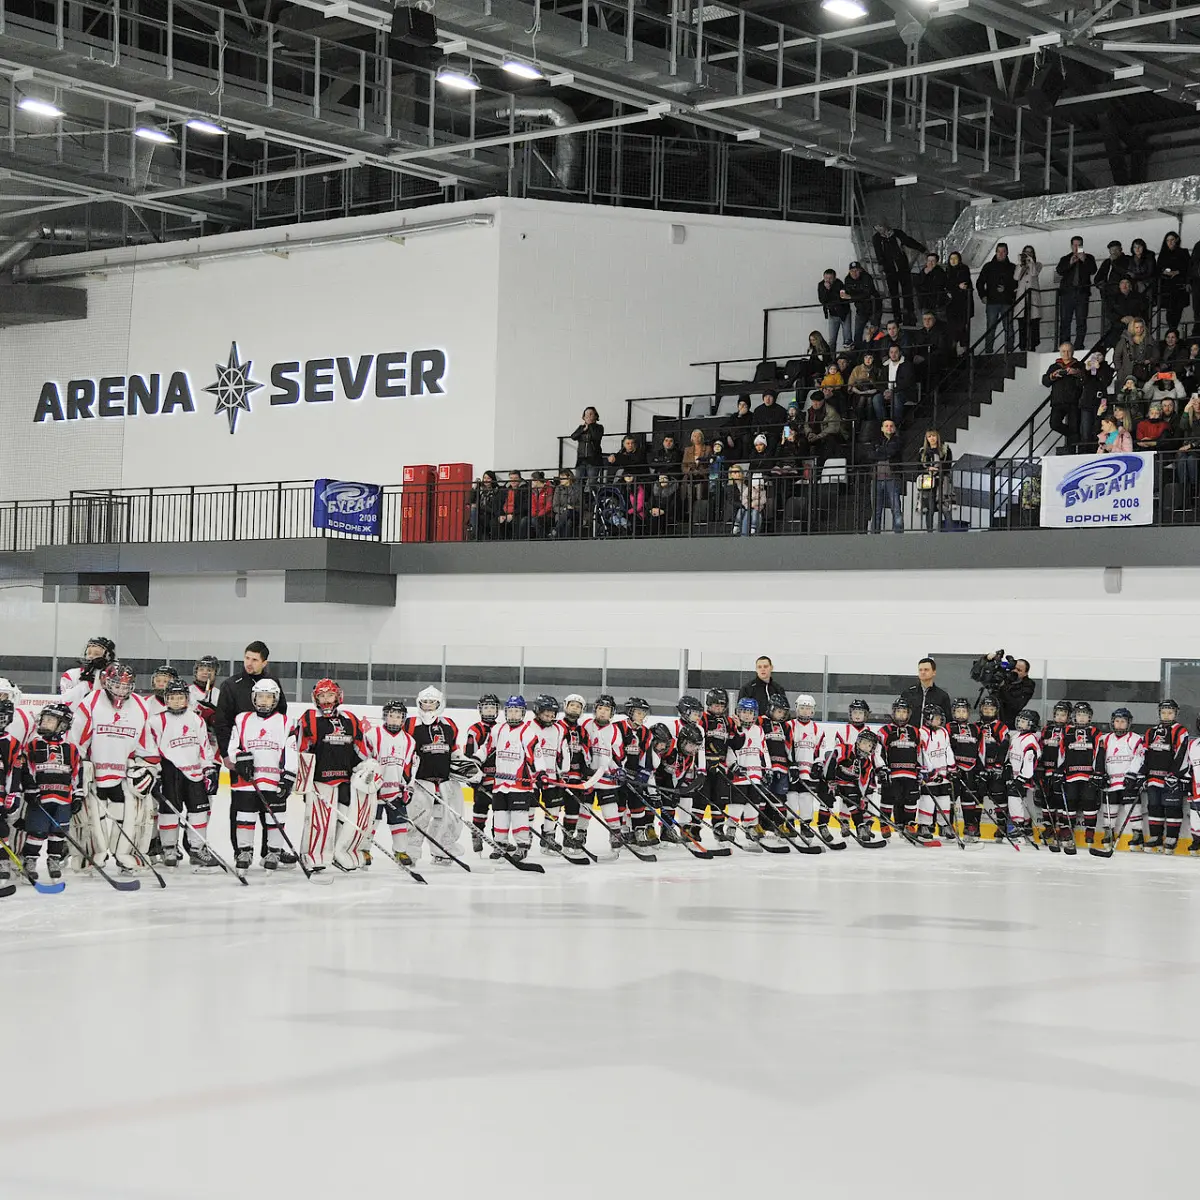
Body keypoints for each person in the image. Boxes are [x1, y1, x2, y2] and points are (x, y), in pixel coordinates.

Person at [70, 662, 157, 873]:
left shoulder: (141, 706)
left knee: (132, 815)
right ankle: (90, 856)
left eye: (126, 686)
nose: (121, 690)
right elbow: (76, 742)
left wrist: (148, 770)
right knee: (90, 818)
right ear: (106, 683)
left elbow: (147, 747)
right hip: (94, 773)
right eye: (117, 685)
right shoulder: (91, 702)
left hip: (124, 773)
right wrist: (77, 769)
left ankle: (127, 856)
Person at [213, 640, 291, 863]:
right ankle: (241, 851)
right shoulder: (231, 684)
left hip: (268, 757)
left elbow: (281, 717)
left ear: (264, 662)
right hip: (241, 757)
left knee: (270, 804)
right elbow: (222, 723)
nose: (249, 663)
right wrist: (228, 755)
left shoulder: (273, 682)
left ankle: (271, 850)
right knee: (241, 806)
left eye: (254, 659)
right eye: (247, 658)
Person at [292, 679, 373, 872]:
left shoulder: (350, 720)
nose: (326, 700)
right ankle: (313, 855)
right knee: (319, 820)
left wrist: (367, 767)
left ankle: (339, 852)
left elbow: (361, 750)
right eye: (322, 696)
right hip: (319, 780)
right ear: (316, 698)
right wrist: (303, 781)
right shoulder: (309, 718)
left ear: (338, 696)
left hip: (346, 779)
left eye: (330, 695)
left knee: (345, 818)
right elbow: (301, 749)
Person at [147, 680, 219, 869]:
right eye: (172, 698)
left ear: (187, 699)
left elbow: (204, 748)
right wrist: (155, 773)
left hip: (194, 772)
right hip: (170, 771)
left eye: (181, 698)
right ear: (166, 699)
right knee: (169, 811)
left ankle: (197, 849)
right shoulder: (156, 721)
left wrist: (209, 769)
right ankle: (169, 848)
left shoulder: (196, 719)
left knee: (200, 811)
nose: (177, 702)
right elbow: (150, 749)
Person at [227, 678, 297, 872]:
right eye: (260, 697)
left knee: (275, 817)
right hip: (248, 781)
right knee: (245, 816)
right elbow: (233, 747)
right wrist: (241, 758)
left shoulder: (284, 721)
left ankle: (273, 852)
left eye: (268, 697)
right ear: (253, 698)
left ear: (275, 699)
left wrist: (288, 776)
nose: (264, 701)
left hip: (273, 780)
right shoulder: (242, 719)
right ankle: (244, 851)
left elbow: (290, 751)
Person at [17, 703, 83, 883]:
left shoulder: (70, 748)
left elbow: (76, 773)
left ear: (62, 725)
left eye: (50, 720)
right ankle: (30, 860)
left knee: (58, 831)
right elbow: (27, 769)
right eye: (44, 719)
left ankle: (54, 859)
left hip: (63, 799)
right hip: (40, 799)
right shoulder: (33, 745)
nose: (44, 723)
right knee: (37, 831)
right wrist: (30, 790)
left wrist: (78, 795)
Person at [404, 686, 465, 865]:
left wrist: (465, 766)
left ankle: (442, 849)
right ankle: (411, 853)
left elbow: (454, 750)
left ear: (439, 704)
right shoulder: (410, 723)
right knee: (419, 817)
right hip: (421, 780)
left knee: (446, 817)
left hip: (445, 781)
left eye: (432, 702)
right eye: (425, 702)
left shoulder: (449, 724)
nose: (428, 706)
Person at [872, 223, 928, 325]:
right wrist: (881, 264)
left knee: (907, 291)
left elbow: (908, 241)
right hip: (890, 269)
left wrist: (922, 249)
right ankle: (897, 316)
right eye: (876, 227)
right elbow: (878, 252)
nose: (879, 229)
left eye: (880, 226)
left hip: (902, 267)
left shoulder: (897, 234)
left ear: (885, 225)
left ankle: (909, 314)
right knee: (894, 294)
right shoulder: (876, 238)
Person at [1056, 235, 1096, 350]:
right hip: (1067, 294)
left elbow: (1093, 270)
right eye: (1074, 245)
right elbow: (1059, 270)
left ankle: (1079, 345)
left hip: (1082, 294)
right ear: (1071, 246)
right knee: (1065, 321)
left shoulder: (1089, 258)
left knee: (1081, 320)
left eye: (1079, 245)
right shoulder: (1065, 258)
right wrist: (1070, 262)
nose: (1077, 247)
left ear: (1082, 246)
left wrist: (1084, 260)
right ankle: (1064, 345)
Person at [976, 242, 1017, 354]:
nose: (1001, 254)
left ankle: (1009, 350)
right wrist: (983, 296)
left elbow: (1017, 285)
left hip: (1007, 301)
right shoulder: (988, 267)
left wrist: (1007, 289)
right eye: (999, 251)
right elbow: (980, 283)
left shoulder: (1013, 267)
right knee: (991, 328)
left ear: (1007, 252)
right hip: (992, 302)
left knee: (1008, 328)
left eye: (1003, 251)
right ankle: (989, 351)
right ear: (996, 252)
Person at [1043, 343, 1084, 452]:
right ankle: (1075, 436)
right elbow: (1045, 381)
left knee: (1074, 425)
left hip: (1074, 401)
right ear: (1060, 352)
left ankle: (1071, 450)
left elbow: (1086, 378)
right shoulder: (1054, 366)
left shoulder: (1079, 365)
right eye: (1063, 351)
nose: (1066, 353)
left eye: (1068, 351)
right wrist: (1053, 376)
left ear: (1073, 352)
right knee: (1054, 424)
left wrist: (1076, 373)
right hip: (1058, 401)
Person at [59, 635, 116, 704]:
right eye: (89, 653)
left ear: (108, 657)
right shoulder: (70, 675)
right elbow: (66, 701)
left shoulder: (114, 677)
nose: (91, 656)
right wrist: (86, 683)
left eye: (97, 654)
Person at [870, 418, 904, 534]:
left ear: (894, 429)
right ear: (882, 428)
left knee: (896, 508)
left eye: (891, 426)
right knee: (876, 510)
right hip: (876, 479)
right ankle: (875, 533)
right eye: (886, 426)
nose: (889, 428)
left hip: (892, 478)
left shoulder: (898, 441)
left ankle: (898, 533)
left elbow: (892, 452)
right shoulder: (876, 440)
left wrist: (880, 451)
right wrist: (884, 453)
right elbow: (871, 455)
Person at [917, 428, 953, 531]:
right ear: (926, 439)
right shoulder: (922, 451)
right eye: (929, 436)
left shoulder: (945, 449)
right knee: (930, 507)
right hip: (928, 480)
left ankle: (949, 531)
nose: (932, 438)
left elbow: (948, 464)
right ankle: (929, 531)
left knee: (944, 506)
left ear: (937, 437)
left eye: (933, 436)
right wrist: (928, 469)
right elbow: (918, 467)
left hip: (942, 479)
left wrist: (937, 469)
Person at [900, 657, 952, 729]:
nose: (923, 672)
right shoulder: (908, 693)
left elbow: (948, 721)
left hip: (932, 737)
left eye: (926, 670)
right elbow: (900, 716)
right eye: (920, 670)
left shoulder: (942, 696)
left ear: (934, 672)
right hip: (911, 736)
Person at [988, 656, 1036, 728]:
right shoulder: (1005, 677)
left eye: (1019, 670)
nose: (1014, 671)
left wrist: (1003, 687)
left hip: (1011, 722)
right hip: (994, 718)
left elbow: (1016, 705)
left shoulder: (1028, 685)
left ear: (1026, 673)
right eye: (1013, 668)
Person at [1095, 240, 1131, 335]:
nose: (1114, 252)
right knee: (1107, 321)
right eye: (1111, 250)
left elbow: (1124, 273)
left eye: (1116, 250)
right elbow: (1097, 278)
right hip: (1107, 295)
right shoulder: (1107, 262)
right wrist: (1100, 284)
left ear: (1121, 250)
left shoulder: (1126, 259)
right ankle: (1106, 343)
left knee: (1120, 320)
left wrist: (1114, 263)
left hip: (1120, 295)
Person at [1158, 232, 1191, 332]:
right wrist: (1166, 272)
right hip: (1167, 286)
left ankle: (1173, 331)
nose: (1170, 242)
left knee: (1178, 310)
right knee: (1169, 311)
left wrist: (1177, 272)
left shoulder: (1183, 252)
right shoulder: (1163, 253)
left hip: (1180, 285)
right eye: (1168, 240)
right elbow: (1159, 268)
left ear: (1176, 240)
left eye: (1172, 239)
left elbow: (1188, 267)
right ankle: (1172, 331)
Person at [912, 310, 953, 388]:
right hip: (921, 358)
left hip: (935, 359)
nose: (927, 321)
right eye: (925, 319)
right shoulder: (919, 333)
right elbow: (915, 347)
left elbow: (942, 350)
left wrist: (925, 358)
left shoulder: (941, 333)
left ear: (934, 320)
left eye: (929, 319)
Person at [804, 389, 845, 465]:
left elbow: (833, 428)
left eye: (817, 402)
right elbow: (806, 424)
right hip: (814, 434)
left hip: (828, 435)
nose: (815, 404)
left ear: (823, 401)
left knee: (829, 440)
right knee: (802, 441)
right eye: (813, 401)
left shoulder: (831, 411)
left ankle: (824, 464)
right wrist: (809, 433)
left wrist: (819, 436)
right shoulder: (809, 411)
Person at [843, 261, 880, 344]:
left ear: (860, 270)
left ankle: (875, 354)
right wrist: (849, 296)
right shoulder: (848, 279)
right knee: (857, 335)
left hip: (874, 308)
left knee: (875, 334)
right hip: (861, 310)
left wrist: (852, 296)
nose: (854, 273)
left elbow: (867, 294)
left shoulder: (866, 277)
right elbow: (847, 294)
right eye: (852, 271)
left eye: (856, 270)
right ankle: (859, 354)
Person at [568, 407, 605, 487]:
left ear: (595, 416)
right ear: (583, 417)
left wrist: (590, 425)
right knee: (577, 482)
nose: (588, 416)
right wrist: (582, 430)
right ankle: (580, 499)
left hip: (593, 460)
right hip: (581, 460)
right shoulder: (581, 428)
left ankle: (591, 498)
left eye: (591, 414)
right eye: (586, 415)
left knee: (591, 483)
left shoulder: (599, 427)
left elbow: (596, 437)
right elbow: (573, 436)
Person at [1015, 245, 1042, 352]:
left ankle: (1032, 346)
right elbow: (1016, 277)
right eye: (1026, 252)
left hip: (1033, 300)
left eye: (1030, 252)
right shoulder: (1019, 266)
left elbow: (1033, 273)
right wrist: (1022, 264)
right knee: (1022, 324)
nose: (1028, 254)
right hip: (1022, 300)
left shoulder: (1038, 265)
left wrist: (1030, 262)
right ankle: (1022, 346)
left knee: (1033, 324)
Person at [818, 267, 852, 351]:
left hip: (844, 314)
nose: (828, 280)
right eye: (826, 278)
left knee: (847, 339)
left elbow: (840, 298)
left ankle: (847, 360)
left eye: (830, 278)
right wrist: (826, 290)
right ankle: (831, 361)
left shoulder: (839, 284)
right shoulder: (821, 285)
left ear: (835, 278)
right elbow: (822, 300)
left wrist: (830, 290)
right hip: (832, 315)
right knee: (832, 340)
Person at [944, 250, 973, 351]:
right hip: (951, 306)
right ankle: (954, 353)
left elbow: (964, 286)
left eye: (955, 258)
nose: (953, 261)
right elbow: (946, 286)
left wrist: (953, 288)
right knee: (953, 330)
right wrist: (956, 287)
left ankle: (964, 351)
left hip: (962, 305)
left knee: (961, 329)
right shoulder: (947, 271)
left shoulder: (964, 269)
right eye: (951, 259)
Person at [880, 343, 914, 426]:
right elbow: (881, 382)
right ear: (889, 353)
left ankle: (896, 425)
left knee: (896, 397)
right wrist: (885, 391)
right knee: (876, 399)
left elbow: (906, 383)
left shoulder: (907, 365)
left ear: (900, 353)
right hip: (888, 392)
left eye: (896, 352)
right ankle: (884, 425)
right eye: (891, 352)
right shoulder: (885, 366)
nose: (893, 354)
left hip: (903, 392)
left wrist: (892, 391)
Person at [846, 352, 882, 425]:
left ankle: (866, 423)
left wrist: (872, 382)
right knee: (863, 397)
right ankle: (861, 422)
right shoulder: (857, 369)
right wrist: (860, 392)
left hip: (872, 392)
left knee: (869, 399)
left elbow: (879, 386)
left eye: (870, 358)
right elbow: (850, 384)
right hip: (857, 392)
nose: (868, 360)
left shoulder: (877, 369)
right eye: (866, 357)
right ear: (863, 358)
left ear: (873, 359)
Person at [914, 252, 948, 320]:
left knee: (940, 322)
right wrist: (924, 274)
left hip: (937, 304)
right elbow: (917, 285)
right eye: (929, 260)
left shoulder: (940, 272)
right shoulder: (923, 272)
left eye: (933, 261)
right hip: (925, 304)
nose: (930, 263)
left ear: (936, 262)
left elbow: (940, 285)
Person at [681, 428, 711, 505]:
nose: (696, 438)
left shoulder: (708, 449)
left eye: (699, 436)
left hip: (702, 477)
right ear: (691, 438)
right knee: (689, 498)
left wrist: (700, 472)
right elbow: (683, 466)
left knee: (700, 498)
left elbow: (710, 465)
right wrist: (689, 470)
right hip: (689, 477)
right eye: (694, 436)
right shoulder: (687, 449)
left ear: (702, 438)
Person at [496, 470, 529, 540]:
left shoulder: (525, 489)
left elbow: (525, 506)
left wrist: (512, 515)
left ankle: (515, 543)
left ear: (520, 479)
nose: (513, 481)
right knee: (495, 521)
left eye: (515, 478)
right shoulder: (505, 489)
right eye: (511, 478)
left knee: (517, 521)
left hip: (518, 513)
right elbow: (499, 504)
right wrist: (501, 515)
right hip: (505, 513)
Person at [469, 471, 501, 542]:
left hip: (490, 513)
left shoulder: (496, 490)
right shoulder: (481, 489)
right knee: (474, 510)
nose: (486, 480)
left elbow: (494, 506)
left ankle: (474, 536)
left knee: (476, 513)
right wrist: (474, 487)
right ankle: (475, 535)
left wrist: (480, 506)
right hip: (480, 513)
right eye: (484, 478)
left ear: (492, 479)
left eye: (488, 478)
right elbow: (471, 500)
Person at [522, 470, 554, 540]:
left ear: (536, 480)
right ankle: (525, 540)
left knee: (535, 520)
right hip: (536, 516)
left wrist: (539, 515)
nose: (530, 483)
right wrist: (534, 515)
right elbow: (533, 505)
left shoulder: (549, 489)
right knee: (524, 520)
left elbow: (549, 505)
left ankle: (542, 539)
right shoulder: (533, 491)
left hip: (547, 516)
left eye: (532, 480)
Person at [552, 468, 583, 539]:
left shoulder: (577, 488)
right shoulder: (558, 489)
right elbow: (555, 506)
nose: (561, 480)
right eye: (560, 478)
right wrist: (564, 509)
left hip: (575, 513)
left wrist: (573, 508)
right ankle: (566, 543)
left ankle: (555, 531)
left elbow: (582, 505)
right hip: (561, 515)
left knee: (569, 512)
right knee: (568, 523)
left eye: (563, 478)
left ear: (569, 477)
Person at [648, 472, 679, 536]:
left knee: (662, 518)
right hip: (656, 511)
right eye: (660, 478)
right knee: (652, 516)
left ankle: (662, 534)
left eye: (664, 478)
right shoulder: (655, 489)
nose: (662, 480)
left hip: (669, 512)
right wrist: (651, 509)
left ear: (668, 480)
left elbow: (674, 504)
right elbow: (651, 501)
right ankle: (653, 535)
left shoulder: (674, 490)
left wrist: (663, 511)